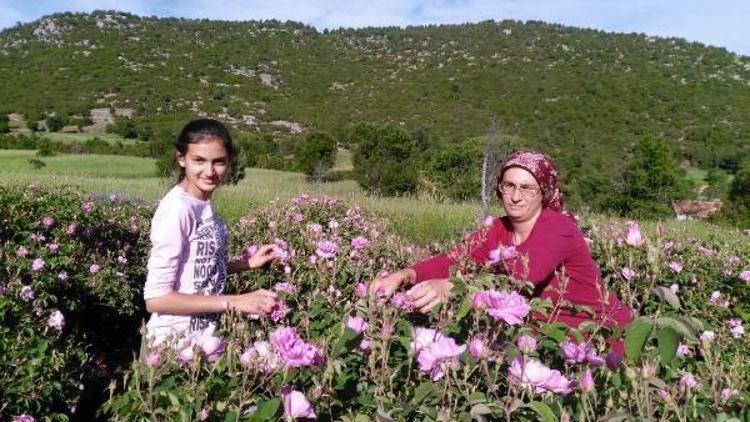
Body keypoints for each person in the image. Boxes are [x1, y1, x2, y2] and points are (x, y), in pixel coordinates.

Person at [369, 149, 632, 353]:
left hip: (599, 344)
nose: (516, 196)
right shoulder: (499, 229)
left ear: (544, 192)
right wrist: (402, 276)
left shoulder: (558, 227)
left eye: (527, 188)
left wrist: (452, 287)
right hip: (538, 345)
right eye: (509, 186)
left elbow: (521, 274)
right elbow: (456, 259)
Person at [143, 118, 278, 347]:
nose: (209, 171)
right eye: (199, 160)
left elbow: (197, 269)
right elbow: (156, 299)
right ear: (181, 159)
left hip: (202, 343)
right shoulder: (178, 209)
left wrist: (247, 264)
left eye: (219, 162)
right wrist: (234, 302)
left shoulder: (202, 205)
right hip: (171, 350)